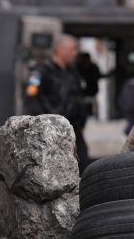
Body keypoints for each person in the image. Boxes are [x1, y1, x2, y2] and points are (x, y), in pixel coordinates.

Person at [25, 34, 90, 169]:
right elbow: (31, 97)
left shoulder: (72, 72)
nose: (75, 53)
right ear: (60, 50)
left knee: (83, 165)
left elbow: (78, 98)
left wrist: (82, 120)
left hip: (74, 128)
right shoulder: (41, 72)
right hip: (52, 129)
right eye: (72, 49)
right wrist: (41, 124)